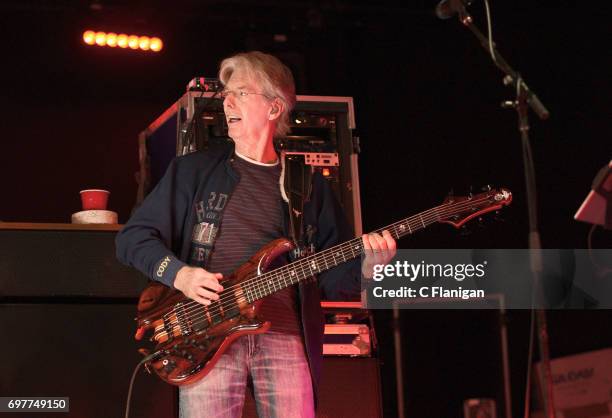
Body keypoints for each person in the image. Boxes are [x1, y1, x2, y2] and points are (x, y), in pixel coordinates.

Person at [116, 50, 396, 418]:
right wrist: (180, 274)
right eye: (228, 93)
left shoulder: (308, 187)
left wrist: (369, 267)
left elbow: (331, 279)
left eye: (242, 92)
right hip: (207, 334)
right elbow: (132, 238)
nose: (228, 100)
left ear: (274, 108)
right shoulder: (193, 172)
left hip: (282, 336)